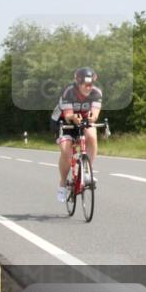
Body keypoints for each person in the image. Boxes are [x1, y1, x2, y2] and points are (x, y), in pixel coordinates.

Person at [51, 67, 103, 202]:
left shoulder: (96, 93)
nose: (88, 88)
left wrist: (92, 118)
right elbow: (68, 115)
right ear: (78, 83)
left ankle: (87, 171)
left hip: (83, 119)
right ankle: (62, 184)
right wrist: (74, 117)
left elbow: (95, 114)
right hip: (64, 120)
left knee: (91, 135)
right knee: (66, 151)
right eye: (85, 85)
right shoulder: (68, 92)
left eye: (91, 84)